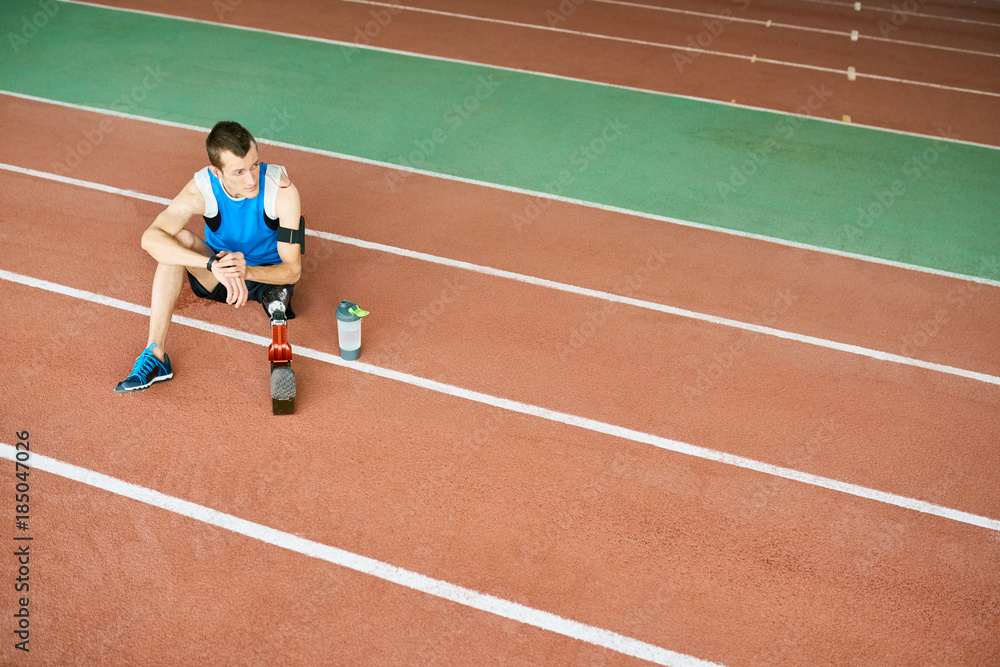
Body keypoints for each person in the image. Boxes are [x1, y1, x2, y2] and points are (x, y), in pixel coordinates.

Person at [115, 121, 303, 394]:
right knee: (175, 240)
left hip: (267, 274)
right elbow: (150, 238)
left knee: (279, 302)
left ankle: (271, 302)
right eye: (238, 172)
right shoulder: (201, 189)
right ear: (217, 172)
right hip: (219, 271)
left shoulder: (281, 190)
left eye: (254, 165)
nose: (251, 179)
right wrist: (212, 264)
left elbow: (292, 270)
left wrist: (245, 271)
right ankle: (156, 356)